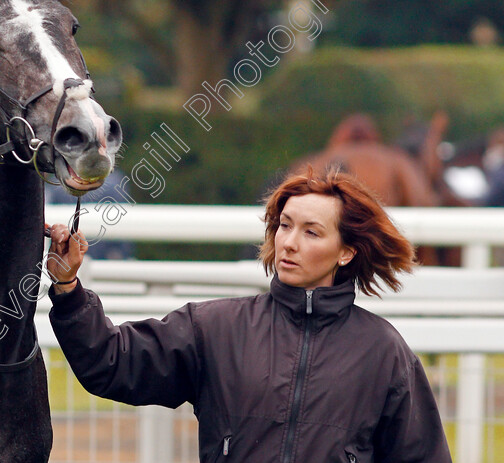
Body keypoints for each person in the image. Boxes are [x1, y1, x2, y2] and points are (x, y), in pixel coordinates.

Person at [46, 169, 452, 462]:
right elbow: (111, 362)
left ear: (346, 252)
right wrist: (68, 290)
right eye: (285, 226)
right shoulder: (217, 327)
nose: (289, 243)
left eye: (311, 232)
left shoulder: (384, 351)